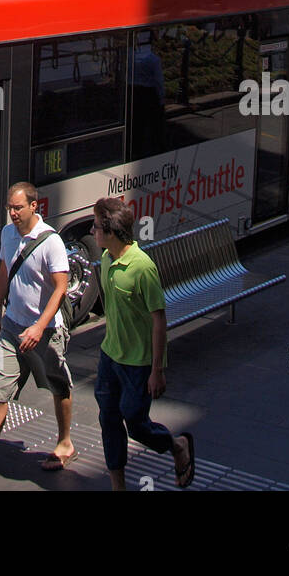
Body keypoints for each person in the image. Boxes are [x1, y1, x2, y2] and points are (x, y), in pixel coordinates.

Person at [0, 182, 74, 485]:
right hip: (12, 327)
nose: (12, 213)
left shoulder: (51, 242)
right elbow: (4, 271)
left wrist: (38, 326)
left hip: (45, 331)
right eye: (10, 207)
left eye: (18, 207)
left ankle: (64, 442)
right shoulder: (8, 234)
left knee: (58, 386)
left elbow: (61, 288)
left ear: (35, 206)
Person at [92, 197, 195, 491]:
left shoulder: (142, 268)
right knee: (109, 421)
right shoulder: (105, 259)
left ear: (110, 232)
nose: (93, 230)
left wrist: (157, 370)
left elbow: (159, 320)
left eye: (97, 227)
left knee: (136, 423)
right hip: (109, 357)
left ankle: (176, 445)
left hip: (138, 364)